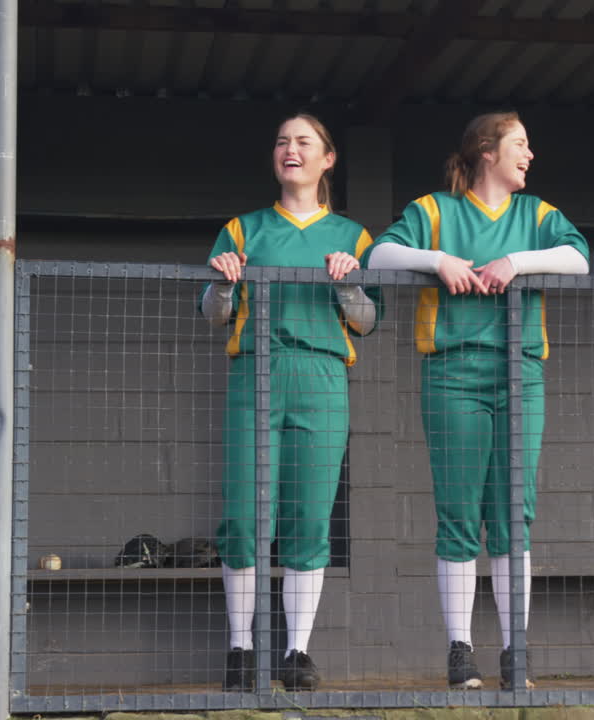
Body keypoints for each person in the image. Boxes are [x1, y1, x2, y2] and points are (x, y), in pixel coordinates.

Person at [365, 111, 590, 690]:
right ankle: (460, 650)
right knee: (459, 514)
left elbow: (579, 257)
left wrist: (517, 261)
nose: (530, 154)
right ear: (486, 151)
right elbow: (381, 256)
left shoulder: (537, 214)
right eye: (520, 143)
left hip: (520, 373)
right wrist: (436, 260)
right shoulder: (433, 211)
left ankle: (517, 652)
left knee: (515, 513)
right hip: (453, 373)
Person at [199, 113, 380, 692]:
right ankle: (241, 648)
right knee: (245, 513)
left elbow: (369, 320)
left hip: (323, 374)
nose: (289, 149)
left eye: (303, 142)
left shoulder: (352, 236)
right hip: (256, 369)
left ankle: (297, 652)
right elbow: (212, 313)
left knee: (309, 514)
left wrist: (348, 284)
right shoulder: (243, 227)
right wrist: (224, 282)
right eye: (281, 141)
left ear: (328, 159)